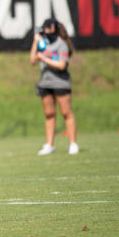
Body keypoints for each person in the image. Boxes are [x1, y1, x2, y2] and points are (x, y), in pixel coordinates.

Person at [30, 18, 78, 155]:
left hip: (60, 82)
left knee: (66, 113)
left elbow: (62, 65)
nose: (44, 31)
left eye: (47, 28)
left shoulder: (61, 44)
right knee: (49, 114)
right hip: (45, 83)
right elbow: (32, 60)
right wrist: (35, 42)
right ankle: (49, 145)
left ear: (53, 28)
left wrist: (44, 59)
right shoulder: (42, 44)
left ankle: (73, 143)